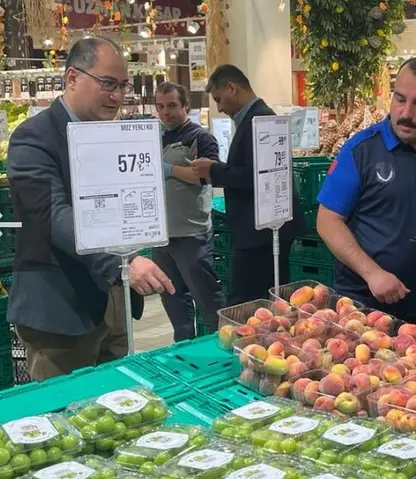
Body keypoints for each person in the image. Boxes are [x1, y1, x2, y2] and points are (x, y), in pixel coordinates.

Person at [6, 37, 174, 381]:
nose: (118, 96)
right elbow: (52, 215)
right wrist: (121, 261)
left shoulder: (111, 136)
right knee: (66, 408)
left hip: (115, 302)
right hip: (61, 311)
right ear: (72, 78)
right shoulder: (32, 138)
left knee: (118, 400)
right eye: (108, 83)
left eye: (123, 86)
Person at [316, 57, 416, 340]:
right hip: (362, 311)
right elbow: (328, 221)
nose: (405, 112)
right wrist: (372, 273)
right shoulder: (361, 150)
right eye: (400, 99)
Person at [191, 65, 304, 305]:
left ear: (232, 88)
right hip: (262, 230)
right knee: (264, 300)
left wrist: (213, 170)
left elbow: (256, 176)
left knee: (246, 302)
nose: (220, 108)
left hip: (260, 234)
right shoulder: (257, 119)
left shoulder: (260, 120)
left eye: (219, 99)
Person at [153, 82, 225, 341]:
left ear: (186, 106)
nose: (166, 112)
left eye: (172, 105)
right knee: (173, 299)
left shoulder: (200, 138)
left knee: (207, 299)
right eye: (160, 107)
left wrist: (170, 170)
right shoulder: (157, 138)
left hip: (192, 234)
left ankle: (223, 345)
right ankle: (183, 348)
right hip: (161, 236)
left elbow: (207, 176)